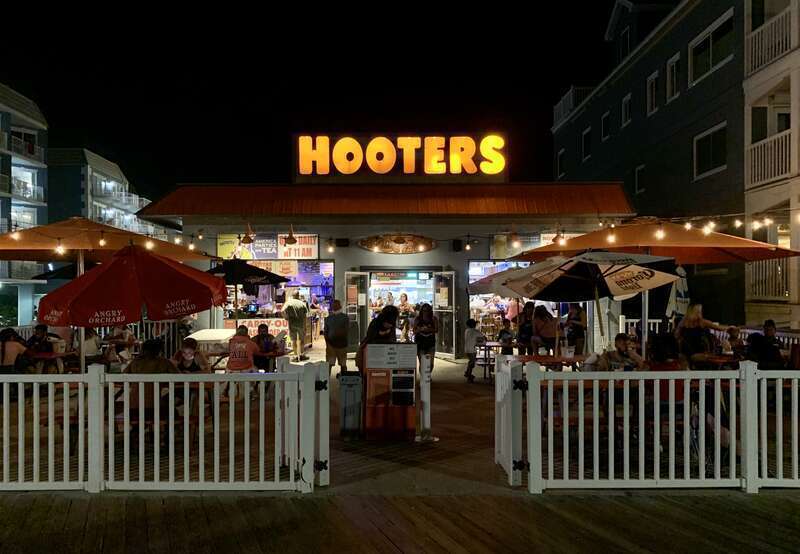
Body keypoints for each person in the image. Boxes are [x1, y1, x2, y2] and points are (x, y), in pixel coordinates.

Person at [356, 305, 399, 371]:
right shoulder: (375, 322)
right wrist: (382, 333)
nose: (389, 325)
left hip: (385, 352)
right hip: (372, 350)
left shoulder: (391, 325)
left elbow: (393, 339)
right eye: (387, 323)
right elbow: (370, 336)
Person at [282, 292, 309, 361]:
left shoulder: (289, 303)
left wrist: (286, 317)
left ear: (292, 295)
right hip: (301, 324)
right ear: (298, 295)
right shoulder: (302, 303)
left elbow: (282, 311)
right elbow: (305, 316)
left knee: (294, 341)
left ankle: (295, 356)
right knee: (302, 340)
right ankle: (302, 355)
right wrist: (305, 326)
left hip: (292, 324)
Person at [324, 300, 349, 372]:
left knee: (330, 365)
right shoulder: (345, 317)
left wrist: (328, 343)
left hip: (333, 344)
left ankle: (326, 378)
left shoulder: (328, 318)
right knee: (342, 364)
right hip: (341, 344)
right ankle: (344, 377)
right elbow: (346, 331)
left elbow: (326, 333)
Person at [413, 303, 438, 372]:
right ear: (421, 311)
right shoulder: (418, 319)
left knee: (431, 364)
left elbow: (436, 330)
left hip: (430, 343)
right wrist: (420, 329)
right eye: (424, 311)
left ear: (430, 311)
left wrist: (428, 329)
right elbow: (414, 331)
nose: (425, 312)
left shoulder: (433, 318)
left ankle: (427, 375)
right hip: (420, 343)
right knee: (422, 363)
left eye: (427, 311)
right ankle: (423, 377)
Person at [464, 319, 486, 383]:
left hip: (466, 349)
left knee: (471, 362)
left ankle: (468, 373)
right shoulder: (476, 331)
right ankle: (468, 375)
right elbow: (483, 338)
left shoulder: (466, 331)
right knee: (472, 363)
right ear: (474, 325)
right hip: (472, 350)